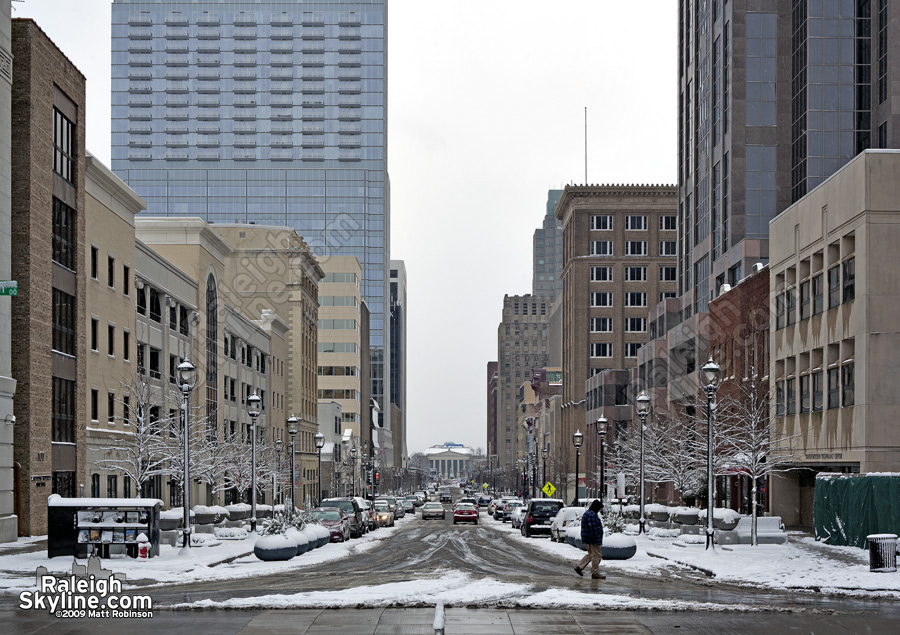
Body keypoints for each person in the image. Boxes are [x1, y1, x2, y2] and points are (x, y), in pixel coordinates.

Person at [574, 499, 605, 580]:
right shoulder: (592, 515)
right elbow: (593, 528)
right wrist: (597, 538)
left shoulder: (588, 513)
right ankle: (595, 573)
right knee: (596, 555)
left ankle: (579, 567)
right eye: (600, 509)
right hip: (593, 539)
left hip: (588, 538)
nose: (600, 510)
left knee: (592, 554)